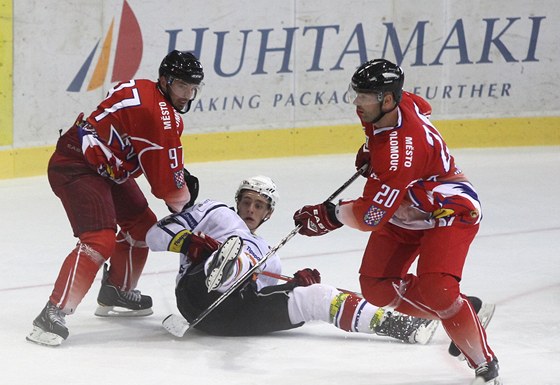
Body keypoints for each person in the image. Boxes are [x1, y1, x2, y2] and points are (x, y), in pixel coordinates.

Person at [292, 59, 500, 385]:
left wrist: (330, 215)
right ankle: (461, 310)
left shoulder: (397, 153)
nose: (358, 103)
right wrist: (368, 148)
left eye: (365, 97)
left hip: (448, 210)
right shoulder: (401, 103)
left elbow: (371, 216)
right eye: (357, 94)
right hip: (407, 206)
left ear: (387, 100)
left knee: (437, 289)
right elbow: (424, 106)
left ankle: (484, 365)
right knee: (376, 285)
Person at [27, 50, 204, 347]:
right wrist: (190, 210)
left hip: (103, 163)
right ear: (165, 80)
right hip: (76, 165)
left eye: (193, 87)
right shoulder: (160, 118)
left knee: (142, 224)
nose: (187, 94)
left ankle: (117, 291)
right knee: (99, 239)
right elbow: (168, 189)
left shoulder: (143, 88)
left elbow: (136, 139)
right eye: (181, 86)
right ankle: (52, 313)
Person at [146, 175, 439, 343]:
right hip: (196, 296)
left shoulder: (269, 258)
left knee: (317, 296)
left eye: (259, 205)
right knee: (235, 254)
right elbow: (154, 235)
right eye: (246, 201)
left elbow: (260, 297)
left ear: (268, 213)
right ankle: (224, 266)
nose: (250, 208)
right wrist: (189, 244)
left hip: (232, 318)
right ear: (237, 201)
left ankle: (401, 326)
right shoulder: (216, 212)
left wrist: (295, 286)